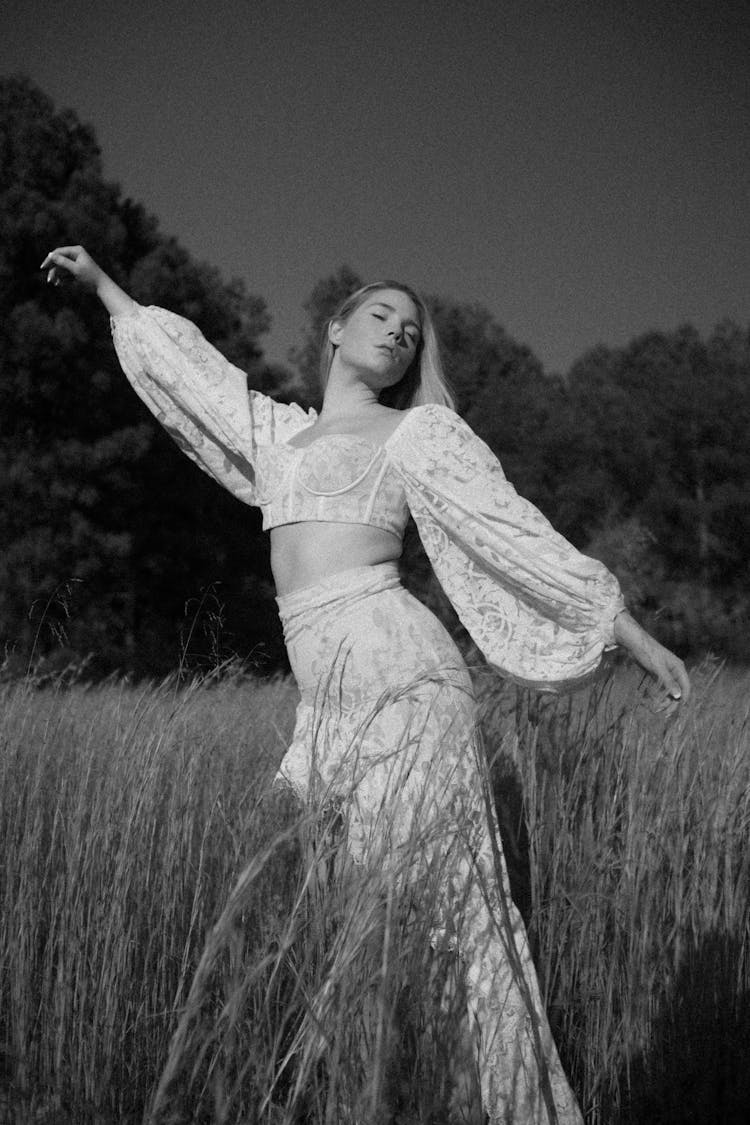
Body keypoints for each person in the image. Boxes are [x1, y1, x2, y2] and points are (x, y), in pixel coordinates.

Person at [41, 245, 689, 1124]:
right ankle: (374, 1090)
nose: (397, 332)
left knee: (434, 913)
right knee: (320, 910)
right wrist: (104, 288)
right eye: (381, 315)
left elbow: (518, 535)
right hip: (325, 696)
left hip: (401, 673)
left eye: (410, 331)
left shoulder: (417, 433)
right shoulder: (278, 434)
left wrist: (636, 638)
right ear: (337, 328)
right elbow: (196, 379)